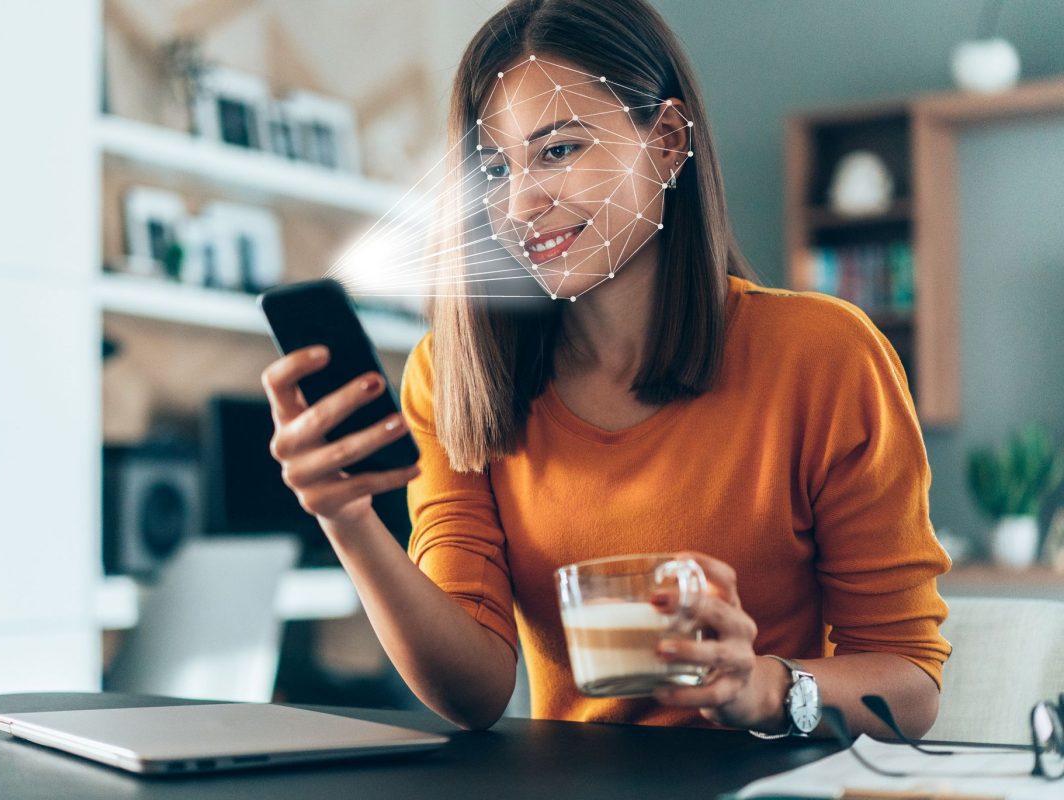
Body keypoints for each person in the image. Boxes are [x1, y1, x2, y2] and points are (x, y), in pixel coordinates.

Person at [262, 0, 951, 737]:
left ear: (667, 141)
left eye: (558, 150)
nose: (521, 202)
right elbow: (474, 694)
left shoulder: (824, 355)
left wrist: (765, 687)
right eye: (494, 168)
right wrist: (346, 520)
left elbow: (910, 687)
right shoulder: (455, 378)